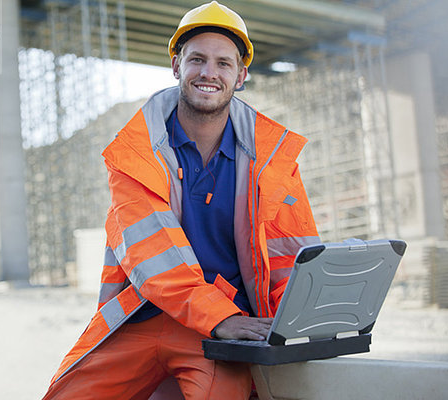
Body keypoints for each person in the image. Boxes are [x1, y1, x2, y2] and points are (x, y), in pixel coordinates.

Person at [41, 2, 319, 399]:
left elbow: (291, 256)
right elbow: (152, 257)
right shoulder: (134, 153)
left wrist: (295, 327)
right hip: (143, 314)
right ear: (176, 66)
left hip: (225, 326)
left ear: (241, 76)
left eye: (224, 63)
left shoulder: (273, 161)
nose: (209, 73)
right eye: (197, 60)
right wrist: (220, 317)